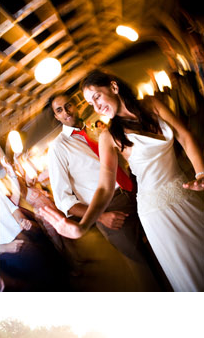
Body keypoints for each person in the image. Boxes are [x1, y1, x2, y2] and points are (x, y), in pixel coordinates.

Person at [75, 69, 204, 291]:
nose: (96, 107)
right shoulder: (109, 136)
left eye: (96, 96)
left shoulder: (152, 104)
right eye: (91, 104)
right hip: (156, 212)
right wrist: (85, 222)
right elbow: (105, 187)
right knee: (190, 271)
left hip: (185, 193)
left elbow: (184, 136)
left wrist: (201, 173)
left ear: (113, 87)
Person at [44, 92, 162, 286]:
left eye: (69, 105)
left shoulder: (96, 130)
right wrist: (100, 216)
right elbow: (63, 201)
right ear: (56, 117)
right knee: (143, 267)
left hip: (136, 195)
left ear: (78, 105)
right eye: (59, 110)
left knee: (159, 252)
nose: (66, 112)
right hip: (109, 210)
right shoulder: (58, 148)